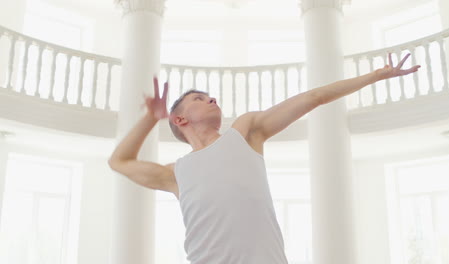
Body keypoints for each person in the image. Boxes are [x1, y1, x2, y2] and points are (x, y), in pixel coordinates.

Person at [108, 53, 420, 264]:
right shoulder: (177, 173)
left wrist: (377, 75)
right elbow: (118, 162)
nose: (211, 99)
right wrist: (151, 118)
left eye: (210, 96)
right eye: (199, 99)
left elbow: (314, 98)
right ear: (179, 120)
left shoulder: (244, 132)